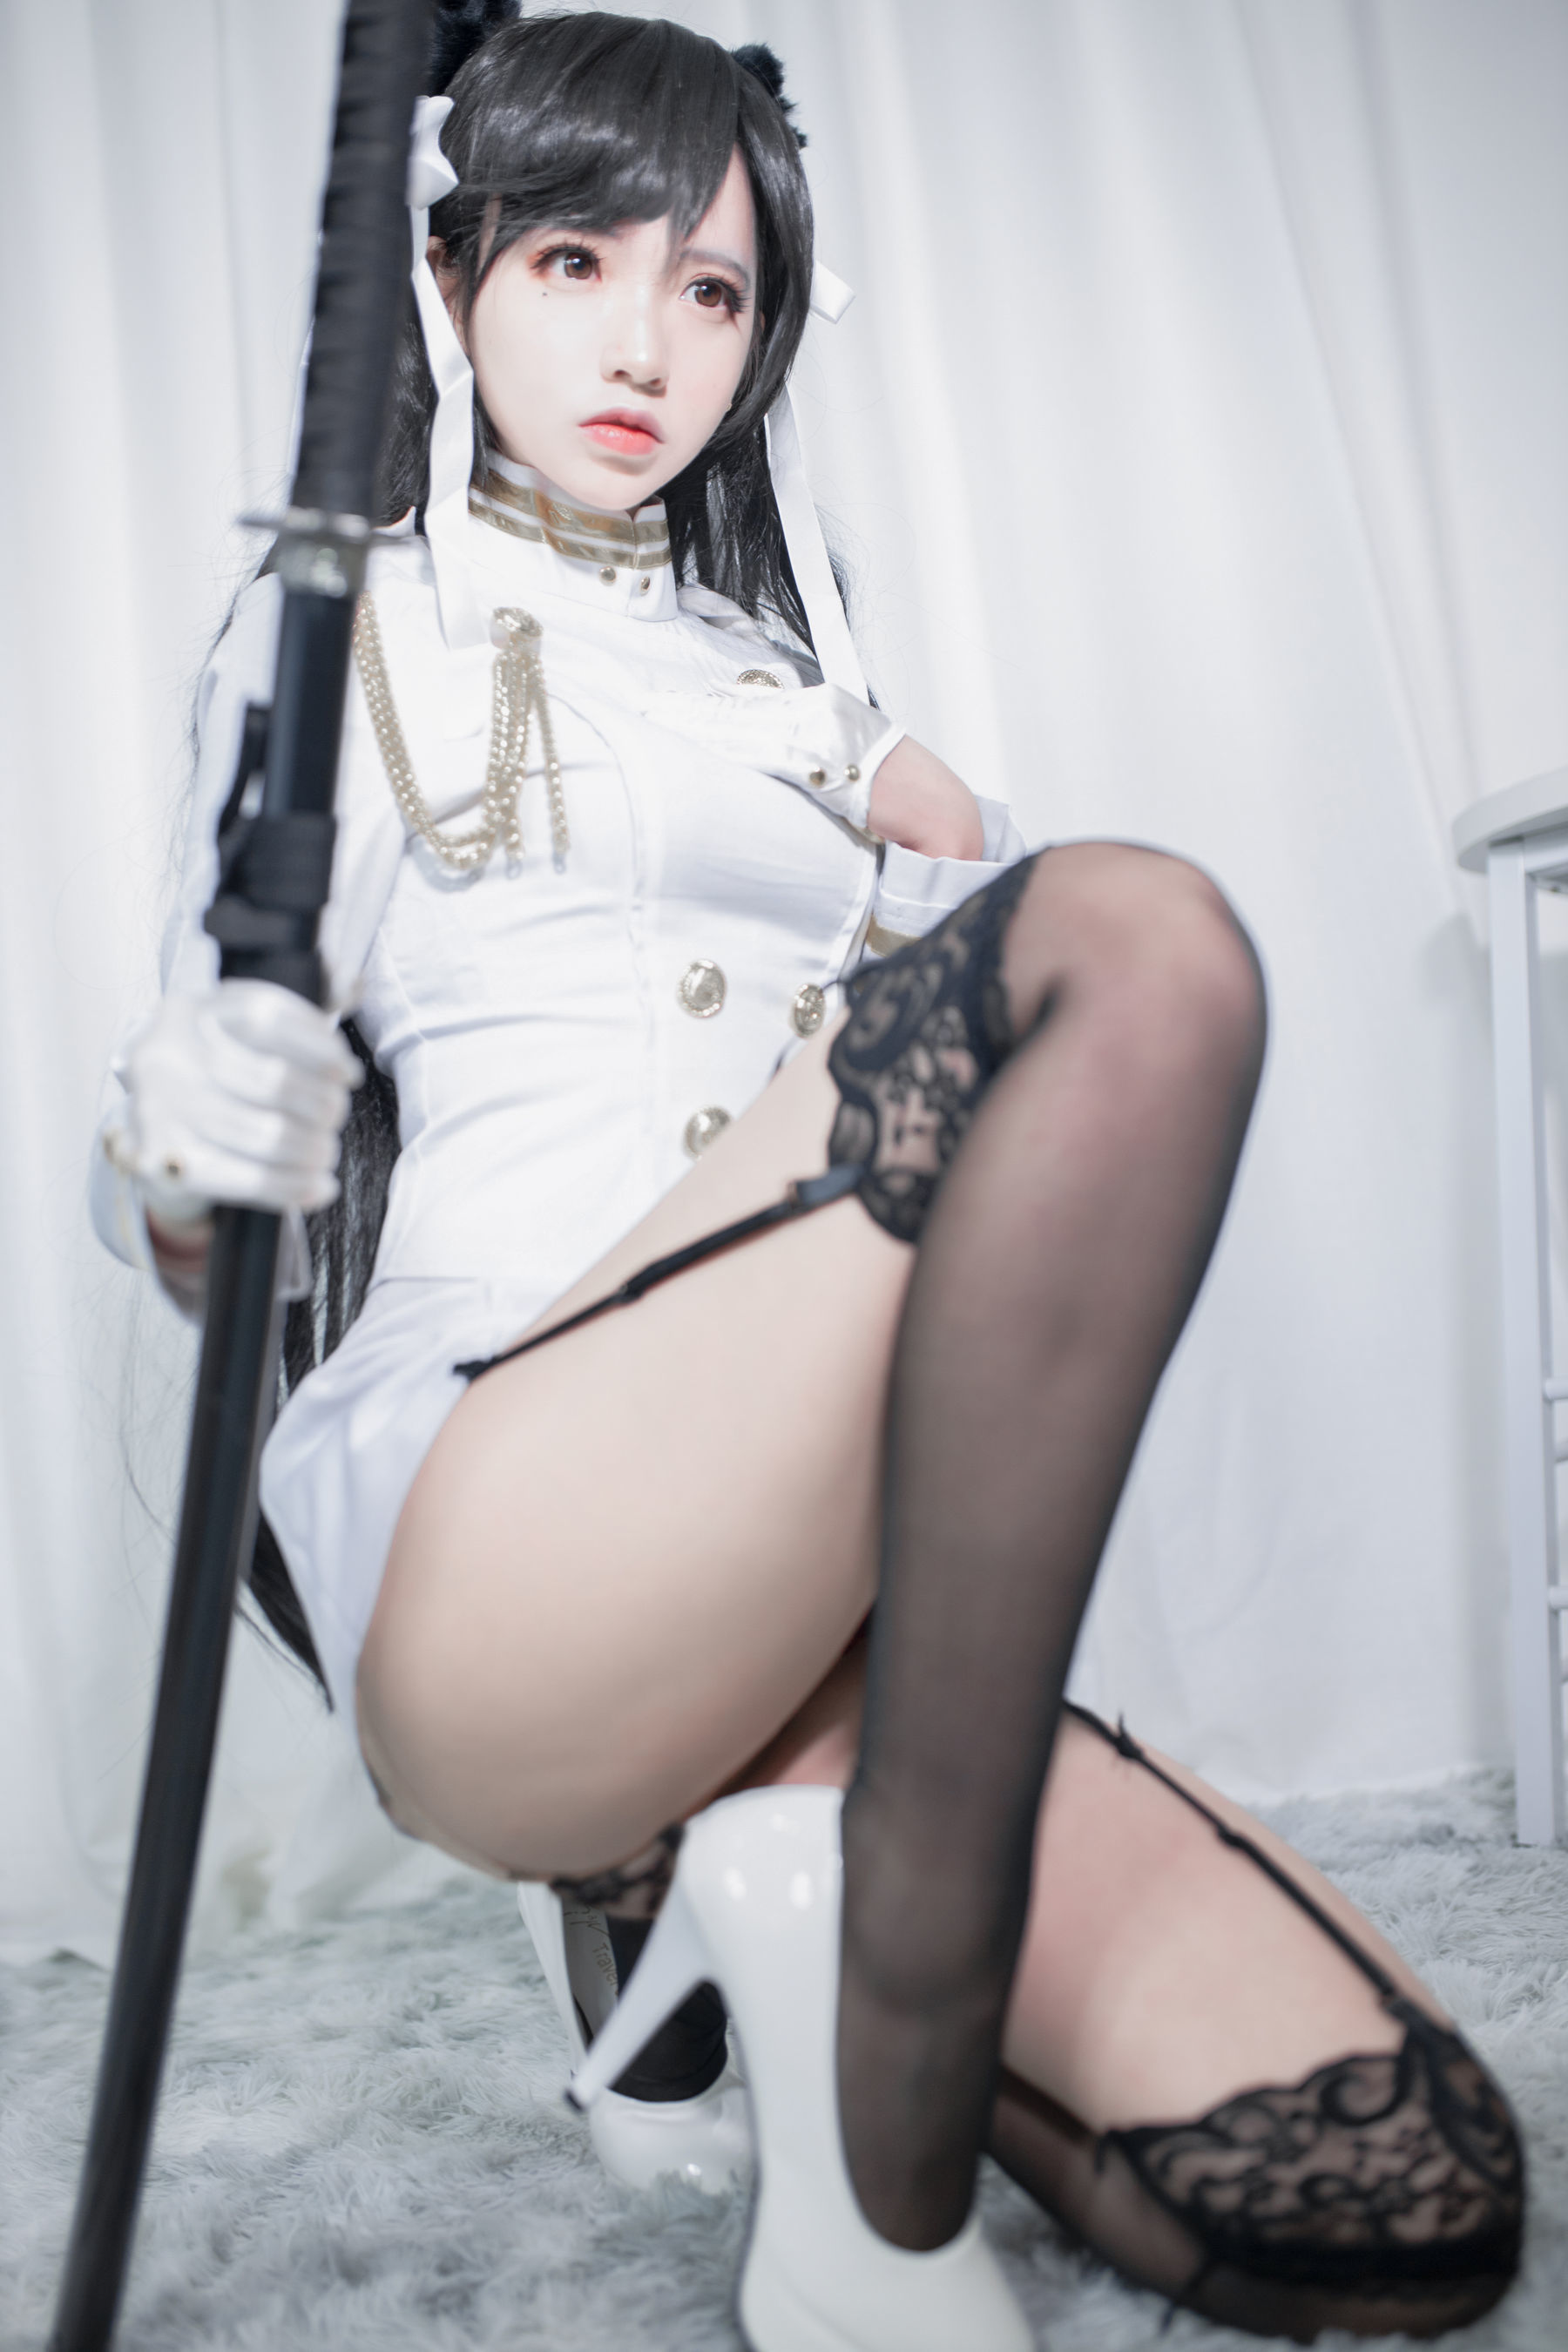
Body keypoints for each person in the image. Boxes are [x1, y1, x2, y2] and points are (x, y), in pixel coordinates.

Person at [91, 10, 1523, 2345]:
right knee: (1140, 943)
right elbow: (190, 1153)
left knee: (1403, 2184)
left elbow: (925, 1167)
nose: (647, 345)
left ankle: (710, 1913)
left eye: (714, 288)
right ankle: (882, 2116)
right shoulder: (350, 625)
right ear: (450, 275)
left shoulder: (792, 679)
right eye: (577, 261)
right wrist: (178, 1142)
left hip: (793, 1580)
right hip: (502, 1530)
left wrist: (935, 867)